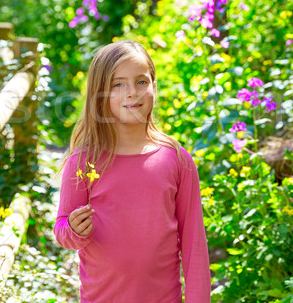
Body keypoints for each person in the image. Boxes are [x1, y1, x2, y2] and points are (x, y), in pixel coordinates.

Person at [54, 40, 211, 302]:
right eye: (118, 84)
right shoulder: (83, 162)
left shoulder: (176, 160)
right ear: (99, 94)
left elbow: (194, 246)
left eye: (141, 81)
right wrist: (74, 229)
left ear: (154, 86)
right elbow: (62, 230)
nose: (132, 92)